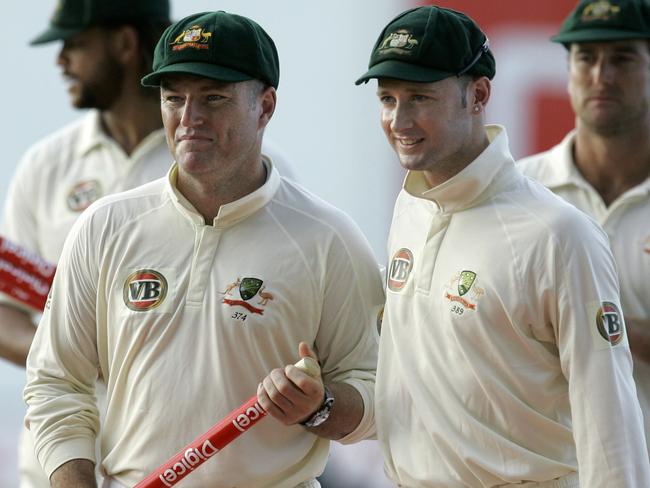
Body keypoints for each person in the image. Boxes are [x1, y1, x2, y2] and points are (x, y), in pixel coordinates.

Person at [24, 10, 384, 488]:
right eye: (175, 99)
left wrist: (319, 408)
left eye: (213, 98)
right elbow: (56, 385)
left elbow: (378, 398)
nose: (190, 119)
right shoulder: (103, 227)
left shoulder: (328, 238)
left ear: (266, 106)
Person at [1, 1, 296, 486]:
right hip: (58, 468)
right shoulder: (46, 165)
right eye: (175, 97)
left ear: (122, 43)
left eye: (74, 44)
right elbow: (5, 311)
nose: (61, 61)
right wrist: (80, 349)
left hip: (188, 468)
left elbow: (281, 305)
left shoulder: (242, 163)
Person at [355, 5, 650, 487]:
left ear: (479, 94)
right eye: (388, 99)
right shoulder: (410, 209)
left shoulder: (557, 232)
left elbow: (609, 420)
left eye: (420, 97)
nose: (399, 119)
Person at [518, 0, 650, 453]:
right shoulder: (517, 191)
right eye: (586, 57)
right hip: (545, 470)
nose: (601, 76)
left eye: (622, 58)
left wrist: (593, 327)